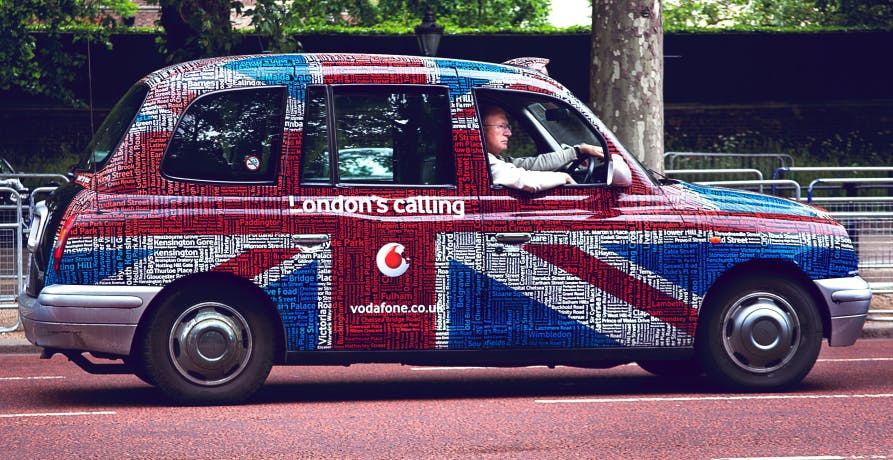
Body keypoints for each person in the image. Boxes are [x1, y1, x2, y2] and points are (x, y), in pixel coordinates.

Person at [482, 105, 604, 192]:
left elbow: (528, 165)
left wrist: (578, 151)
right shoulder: (482, 161)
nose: (508, 133)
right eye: (501, 126)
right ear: (480, 130)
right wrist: (563, 177)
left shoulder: (496, 160)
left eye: (508, 127)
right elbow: (523, 179)